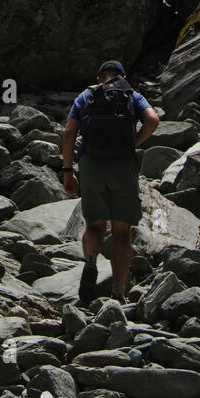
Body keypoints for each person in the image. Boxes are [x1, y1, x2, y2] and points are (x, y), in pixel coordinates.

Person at [62, 60, 159, 305]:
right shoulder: (132, 95)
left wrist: (67, 171)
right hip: (123, 165)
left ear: (99, 78)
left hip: (92, 164)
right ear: (123, 77)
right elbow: (153, 120)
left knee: (94, 227)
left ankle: (91, 262)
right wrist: (134, 142)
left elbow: (68, 133)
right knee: (122, 234)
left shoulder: (87, 95)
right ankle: (118, 292)